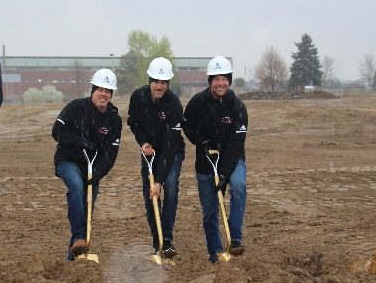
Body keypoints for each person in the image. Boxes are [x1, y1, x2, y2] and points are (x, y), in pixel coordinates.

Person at [52, 68, 122, 261]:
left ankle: (75, 251)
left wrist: (96, 174)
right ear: (93, 90)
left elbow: (111, 153)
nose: (104, 94)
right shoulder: (76, 107)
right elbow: (57, 131)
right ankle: (79, 238)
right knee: (75, 185)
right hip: (68, 161)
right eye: (100, 89)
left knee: (87, 205)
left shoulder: (114, 119)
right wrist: (79, 141)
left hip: (93, 168)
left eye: (108, 91)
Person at [183, 56, 248, 263]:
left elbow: (236, 143)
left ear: (229, 81)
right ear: (210, 81)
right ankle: (215, 252)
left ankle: (235, 239)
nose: (221, 83)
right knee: (210, 210)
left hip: (232, 158)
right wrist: (201, 141)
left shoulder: (238, 107)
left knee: (238, 186)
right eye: (216, 79)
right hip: (205, 161)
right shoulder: (197, 103)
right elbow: (187, 126)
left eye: (224, 79)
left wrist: (223, 173)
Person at [127, 57, 185, 258]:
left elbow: (170, 145)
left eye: (163, 82)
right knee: (150, 195)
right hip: (150, 151)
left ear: (168, 83)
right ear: (150, 80)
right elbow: (134, 124)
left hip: (172, 151)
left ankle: (167, 239)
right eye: (156, 81)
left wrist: (159, 180)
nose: (159, 86)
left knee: (169, 187)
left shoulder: (174, 105)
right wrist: (144, 143)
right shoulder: (137, 98)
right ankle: (157, 241)